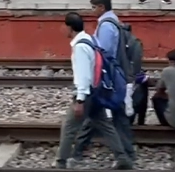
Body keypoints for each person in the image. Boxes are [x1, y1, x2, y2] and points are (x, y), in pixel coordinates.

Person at [54, 12, 132, 170]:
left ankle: (60, 162)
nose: (61, 29)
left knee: (69, 128)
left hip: (87, 94)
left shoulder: (81, 46)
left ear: (70, 28)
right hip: (96, 92)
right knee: (105, 125)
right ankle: (122, 158)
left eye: (64, 25)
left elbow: (83, 75)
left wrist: (80, 100)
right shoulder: (88, 39)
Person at [72, 0, 135, 163]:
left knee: (97, 114)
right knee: (106, 115)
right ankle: (126, 152)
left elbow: (103, 54)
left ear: (102, 7)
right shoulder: (113, 20)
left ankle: (77, 150)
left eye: (94, 7)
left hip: (107, 77)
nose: (92, 11)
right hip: (114, 76)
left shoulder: (106, 26)